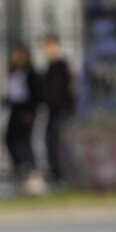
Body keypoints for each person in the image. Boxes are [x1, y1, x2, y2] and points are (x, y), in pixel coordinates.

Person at [2, 44, 41, 180]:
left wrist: (30, 111)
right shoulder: (13, 72)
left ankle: (30, 169)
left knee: (25, 141)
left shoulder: (30, 73)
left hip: (25, 111)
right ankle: (19, 167)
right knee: (9, 139)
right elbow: (9, 92)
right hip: (15, 109)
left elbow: (35, 94)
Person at [41, 34, 75, 183]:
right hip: (52, 111)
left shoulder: (62, 66)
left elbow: (65, 90)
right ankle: (56, 174)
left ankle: (61, 175)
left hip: (62, 111)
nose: (47, 50)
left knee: (58, 143)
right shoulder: (50, 66)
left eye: (49, 46)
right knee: (50, 142)